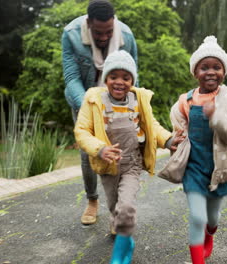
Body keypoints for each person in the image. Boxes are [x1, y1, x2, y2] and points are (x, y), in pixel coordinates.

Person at [74, 50, 183, 264]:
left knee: (126, 206)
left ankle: (122, 249)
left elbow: (151, 125)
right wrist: (100, 149)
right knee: (115, 205)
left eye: (126, 77)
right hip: (108, 165)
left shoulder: (138, 99)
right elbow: (82, 131)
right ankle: (118, 223)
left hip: (132, 163)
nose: (119, 82)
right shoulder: (94, 100)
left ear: (132, 80)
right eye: (114, 76)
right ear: (106, 78)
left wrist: (168, 141)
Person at [170, 36, 227, 264]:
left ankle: (210, 233)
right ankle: (197, 260)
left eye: (217, 67)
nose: (211, 72)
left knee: (211, 217)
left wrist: (216, 116)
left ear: (224, 71)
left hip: (219, 168)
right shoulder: (185, 100)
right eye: (204, 67)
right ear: (196, 72)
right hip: (193, 167)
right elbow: (177, 121)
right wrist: (178, 135)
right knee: (197, 216)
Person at [61, 0, 138, 225]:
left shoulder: (126, 35)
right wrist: (90, 106)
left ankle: (117, 210)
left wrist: (130, 104)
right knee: (89, 153)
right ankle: (92, 200)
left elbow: (134, 72)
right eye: (98, 32)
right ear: (88, 24)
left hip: (119, 101)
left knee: (119, 153)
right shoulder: (71, 34)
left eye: (108, 32)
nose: (104, 37)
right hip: (84, 100)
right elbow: (71, 78)